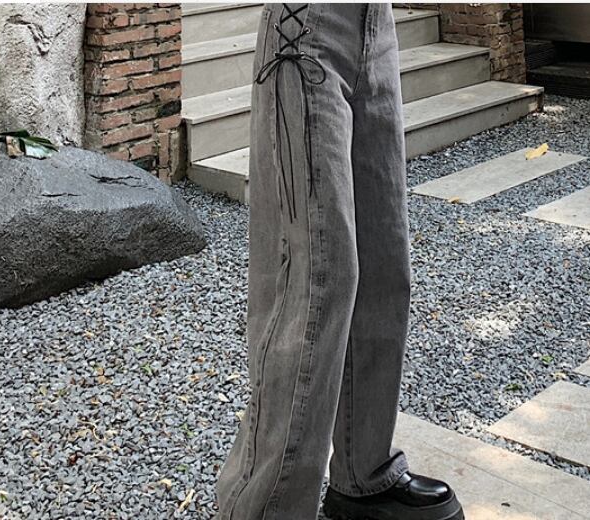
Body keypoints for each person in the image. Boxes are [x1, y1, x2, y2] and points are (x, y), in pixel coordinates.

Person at [215, 4, 464, 520]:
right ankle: (262, 509)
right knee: (319, 275)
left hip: (376, 26)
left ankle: (363, 476)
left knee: (383, 264)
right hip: (307, 31)